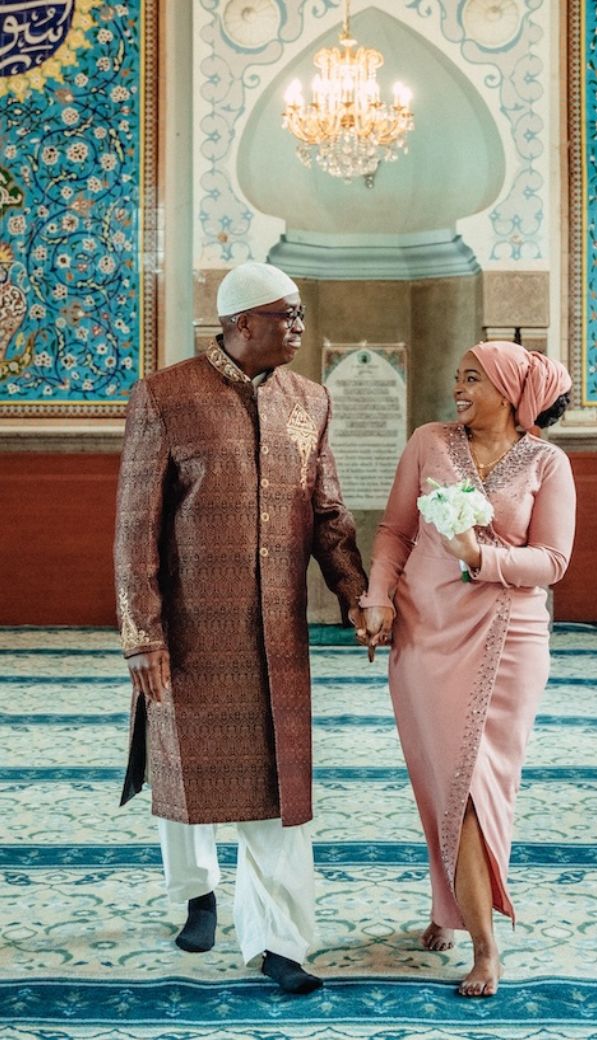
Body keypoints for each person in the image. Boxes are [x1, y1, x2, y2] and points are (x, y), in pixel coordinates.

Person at [114, 261, 367, 994]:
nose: (298, 327)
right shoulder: (165, 397)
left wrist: (355, 596)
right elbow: (136, 528)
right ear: (240, 323)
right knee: (186, 766)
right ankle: (195, 892)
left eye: (300, 315)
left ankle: (279, 941)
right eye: (285, 315)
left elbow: (329, 515)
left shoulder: (309, 401)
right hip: (189, 631)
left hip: (277, 639)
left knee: (278, 789)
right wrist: (143, 635)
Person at [359, 340, 575, 998]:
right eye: (456, 376)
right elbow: (396, 531)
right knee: (440, 781)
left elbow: (552, 561)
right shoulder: (429, 441)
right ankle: (447, 905)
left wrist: (478, 557)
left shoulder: (548, 463)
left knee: (478, 789)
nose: (458, 389)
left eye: (473, 379)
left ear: (511, 392)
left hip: (510, 641)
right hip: (425, 636)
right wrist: (375, 600)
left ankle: (485, 949)